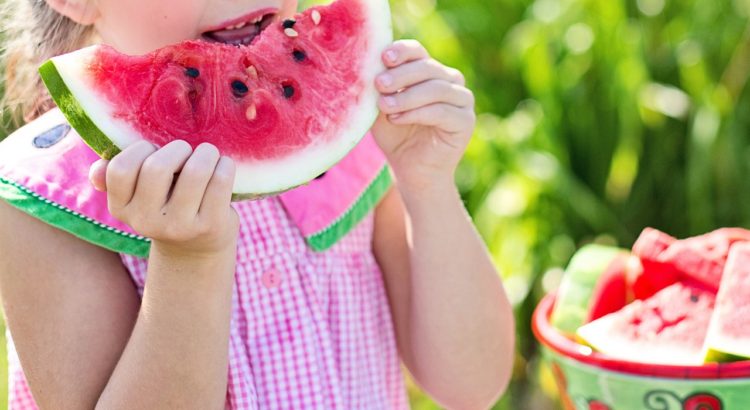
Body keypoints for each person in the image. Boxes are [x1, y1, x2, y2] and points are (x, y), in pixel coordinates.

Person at [0, 0, 515, 408]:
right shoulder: (43, 202)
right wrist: (189, 262)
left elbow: (472, 386)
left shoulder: (354, 134)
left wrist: (428, 185)